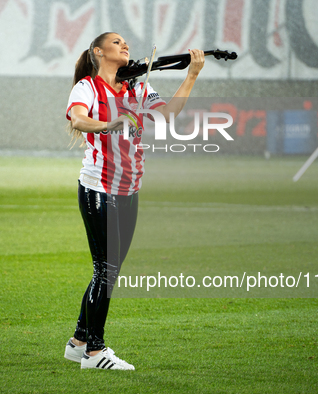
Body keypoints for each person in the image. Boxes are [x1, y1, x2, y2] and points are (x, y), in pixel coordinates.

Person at [63, 32, 205, 370]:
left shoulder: (139, 87)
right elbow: (78, 118)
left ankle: (79, 341)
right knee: (106, 269)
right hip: (99, 186)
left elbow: (166, 116)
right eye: (116, 43)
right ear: (98, 52)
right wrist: (109, 123)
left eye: (125, 42)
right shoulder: (87, 86)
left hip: (130, 188)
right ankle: (94, 353)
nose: (124, 46)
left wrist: (192, 75)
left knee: (109, 270)